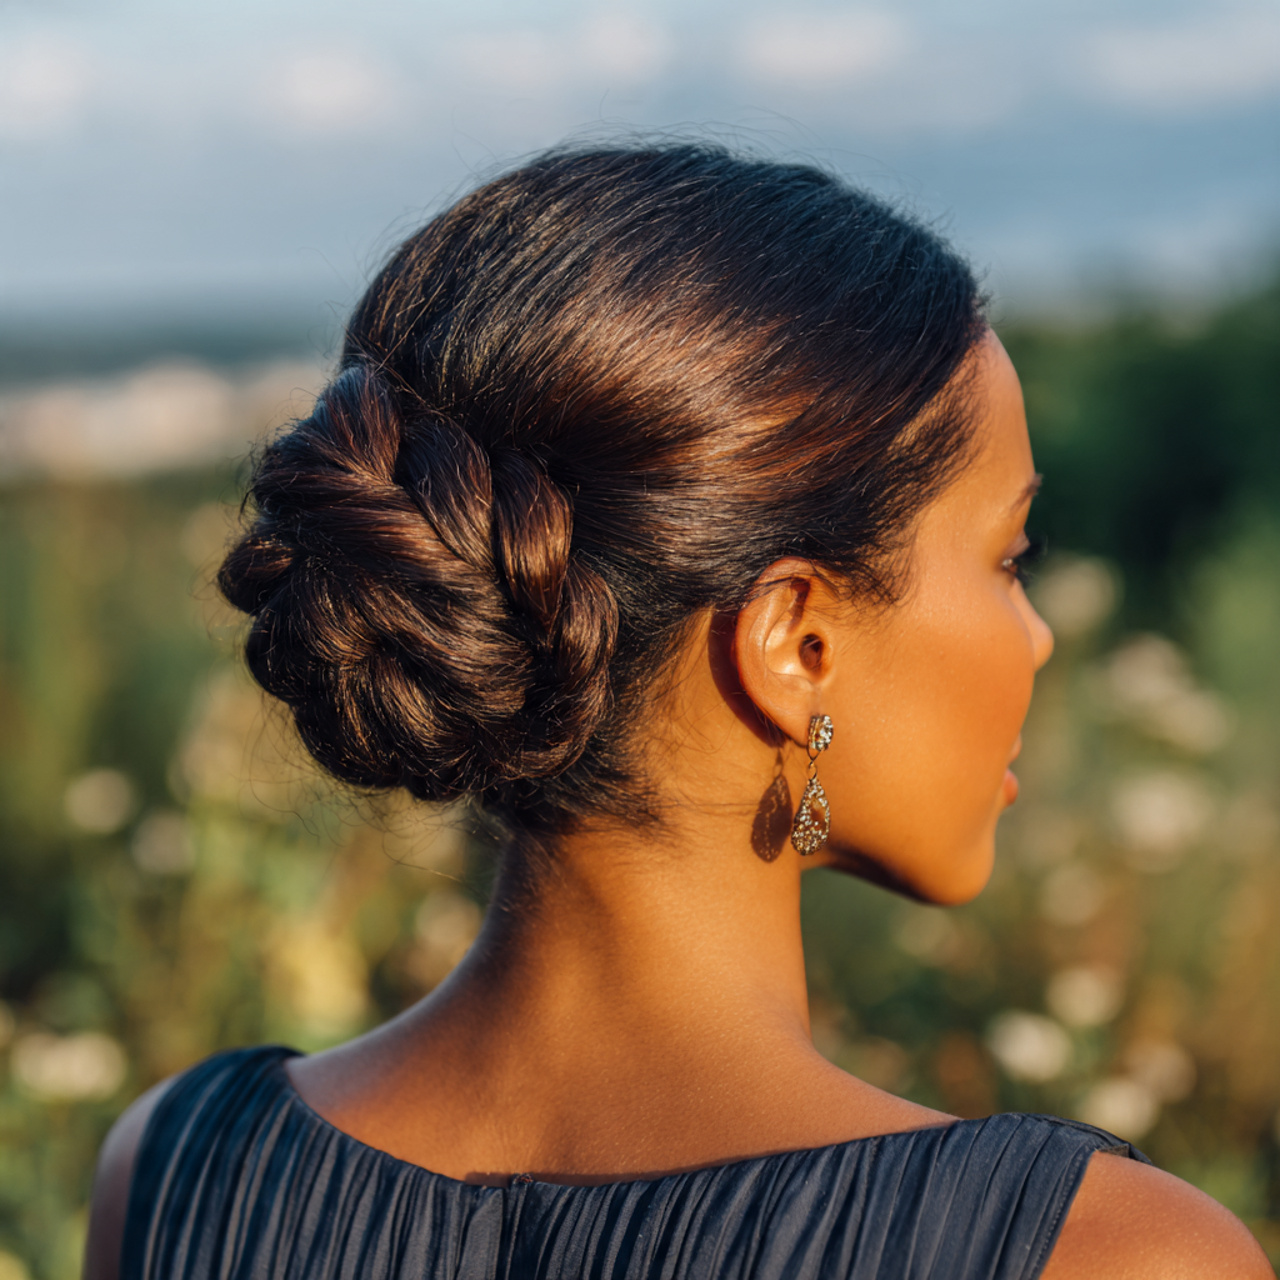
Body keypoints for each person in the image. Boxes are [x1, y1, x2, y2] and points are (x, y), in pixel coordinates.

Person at [84, 144, 1272, 1280]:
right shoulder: (1105, 1253)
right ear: (793, 641)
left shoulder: (180, 1168)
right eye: (1010, 555)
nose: (1039, 631)